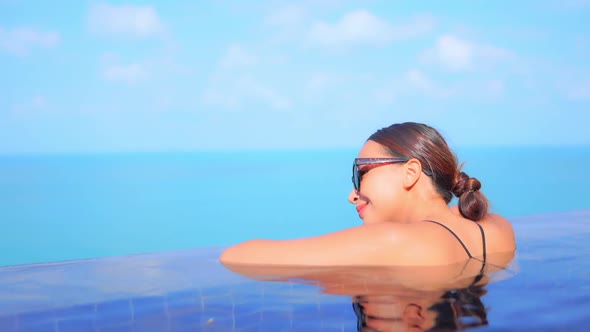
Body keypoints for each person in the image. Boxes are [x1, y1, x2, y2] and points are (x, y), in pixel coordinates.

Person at [220, 122, 516, 266]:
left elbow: (237, 256)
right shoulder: (497, 228)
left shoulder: (390, 241)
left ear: (410, 173)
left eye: (362, 173)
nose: (352, 194)